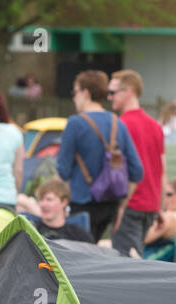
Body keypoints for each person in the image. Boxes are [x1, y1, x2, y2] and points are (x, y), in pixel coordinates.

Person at [56, 70, 142, 241]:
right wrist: (121, 207)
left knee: (77, 258)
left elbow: (63, 172)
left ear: (85, 93)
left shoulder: (75, 123)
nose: (74, 97)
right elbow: (137, 171)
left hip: (81, 204)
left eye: (75, 92)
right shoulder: (118, 123)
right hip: (110, 206)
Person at [109, 70, 166, 257]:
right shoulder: (155, 125)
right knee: (137, 257)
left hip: (129, 204)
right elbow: (162, 169)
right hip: (150, 206)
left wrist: (119, 206)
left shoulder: (120, 125)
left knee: (125, 263)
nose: (109, 97)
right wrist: (161, 207)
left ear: (129, 91)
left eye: (113, 92)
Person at [18, 178, 94, 242]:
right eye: (41, 200)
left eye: (49, 199)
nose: (43, 204)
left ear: (64, 202)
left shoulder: (79, 234)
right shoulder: (31, 230)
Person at [144, 177, 176, 246]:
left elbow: (144, 238)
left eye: (169, 194)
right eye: (162, 193)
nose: (164, 197)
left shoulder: (170, 217)